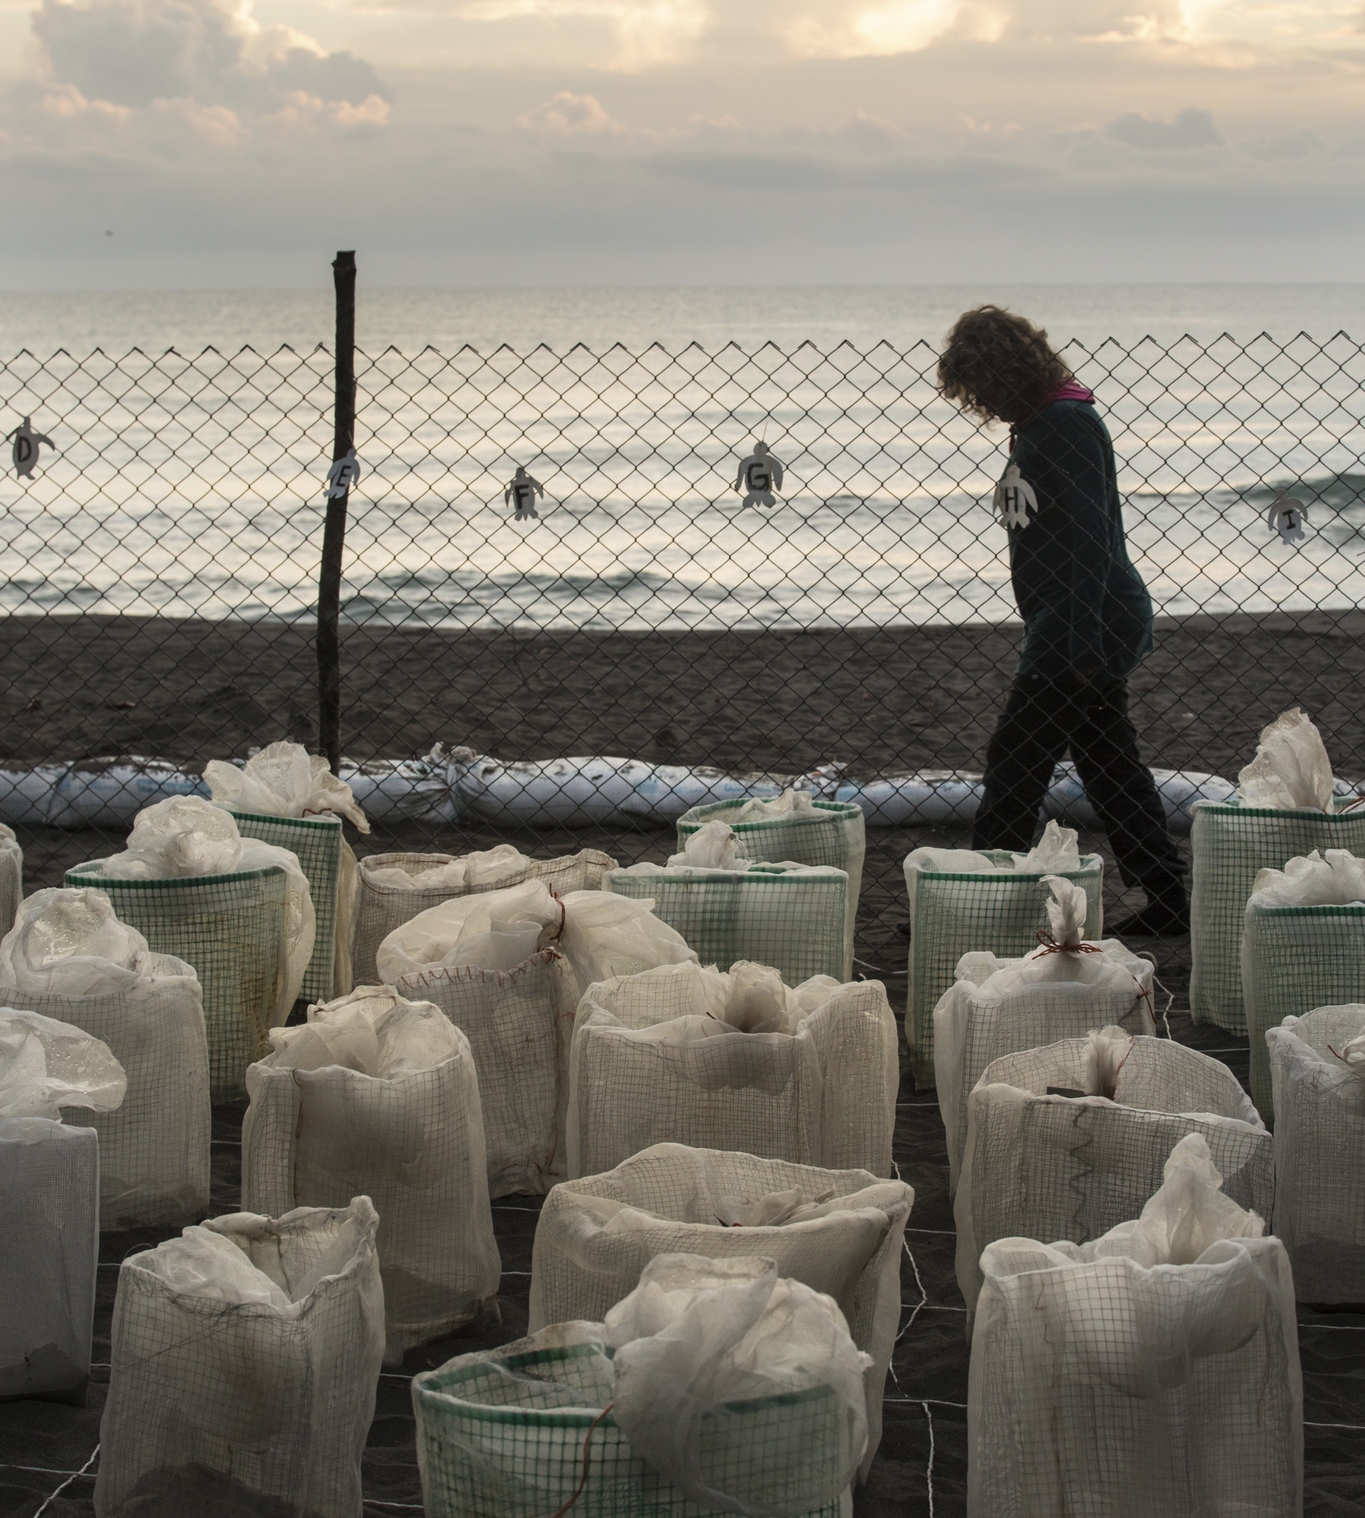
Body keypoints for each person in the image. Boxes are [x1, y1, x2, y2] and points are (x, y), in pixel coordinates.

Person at [937, 305, 1188, 935]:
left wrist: (1077, 649)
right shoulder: (1041, 423)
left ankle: (981, 893)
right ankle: (1168, 898)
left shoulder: (1065, 424)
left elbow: (1087, 544)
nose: (982, 401)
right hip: (1072, 619)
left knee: (1015, 761)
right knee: (1109, 764)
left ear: (1009, 371)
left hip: (1083, 622)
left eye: (985, 384)